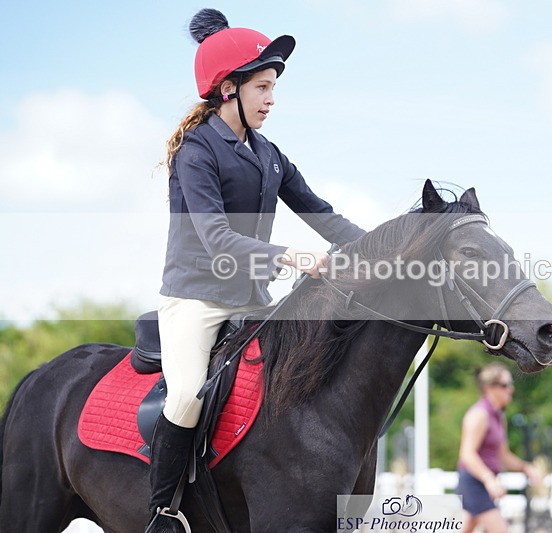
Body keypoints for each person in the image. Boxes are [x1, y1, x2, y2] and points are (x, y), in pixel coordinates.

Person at [146, 8, 366, 532]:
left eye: (273, 87)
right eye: (263, 87)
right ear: (229, 89)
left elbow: (320, 212)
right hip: (195, 299)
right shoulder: (195, 153)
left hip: (252, 300)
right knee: (184, 395)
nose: (271, 99)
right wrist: (291, 257)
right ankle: (163, 510)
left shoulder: (268, 154)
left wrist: (384, 251)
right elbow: (216, 236)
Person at [456, 363, 542, 533]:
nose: (511, 389)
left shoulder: (498, 416)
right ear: (489, 388)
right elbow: (467, 454)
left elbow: (503, 456)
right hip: (474, 483)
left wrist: (525, 467)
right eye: (505, 385)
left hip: (486, 483)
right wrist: (489, 479)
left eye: (510, 384)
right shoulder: (479, 414)